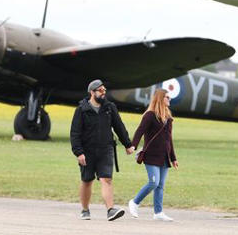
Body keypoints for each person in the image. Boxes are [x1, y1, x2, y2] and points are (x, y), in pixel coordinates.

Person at [70, 79, 134, 221]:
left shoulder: (110, 108)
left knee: (107, 179)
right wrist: (78, 152)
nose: (103, 93)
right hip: (87, 151)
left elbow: (119, 127)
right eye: (100, 91)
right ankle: (85, 210)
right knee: (87, 180)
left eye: (105, 90)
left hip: (106, 149)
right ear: (92, 92)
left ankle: (110, 210)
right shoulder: (81, 109)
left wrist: (127, 144)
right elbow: (75, 133)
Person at [128, 88, 179, 221]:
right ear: (160, 98)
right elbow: (140, 130)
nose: (169, 99)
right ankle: (134, 202)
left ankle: (158, 213)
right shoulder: (150, 115)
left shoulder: (168, 117)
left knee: (160, 185)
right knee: (153, 182)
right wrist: (133, 145)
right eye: (167, 97)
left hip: (164, 156)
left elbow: (169, 139)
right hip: (151, 155)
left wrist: (173, 158)